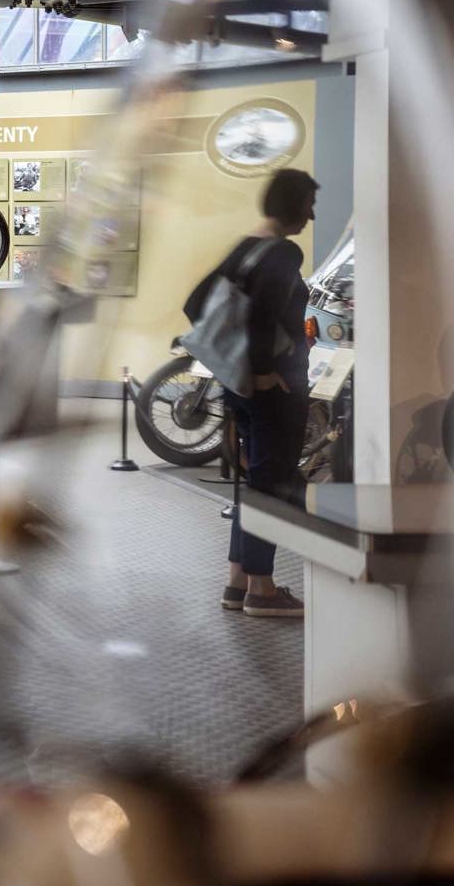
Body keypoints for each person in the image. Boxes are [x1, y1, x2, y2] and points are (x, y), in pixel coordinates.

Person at [185, 168, 318, 619]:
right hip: (273, 389)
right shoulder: (283, 252)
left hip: (236, 385)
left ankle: (237, 582)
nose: (312, 216)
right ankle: (262, 589)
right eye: (308, 206)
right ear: (292, 205)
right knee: (270, 487)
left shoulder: (245, 247)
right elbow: (262, 315)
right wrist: (263, 372)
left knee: (253, 485)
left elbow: (195, 303)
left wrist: (241, 368)